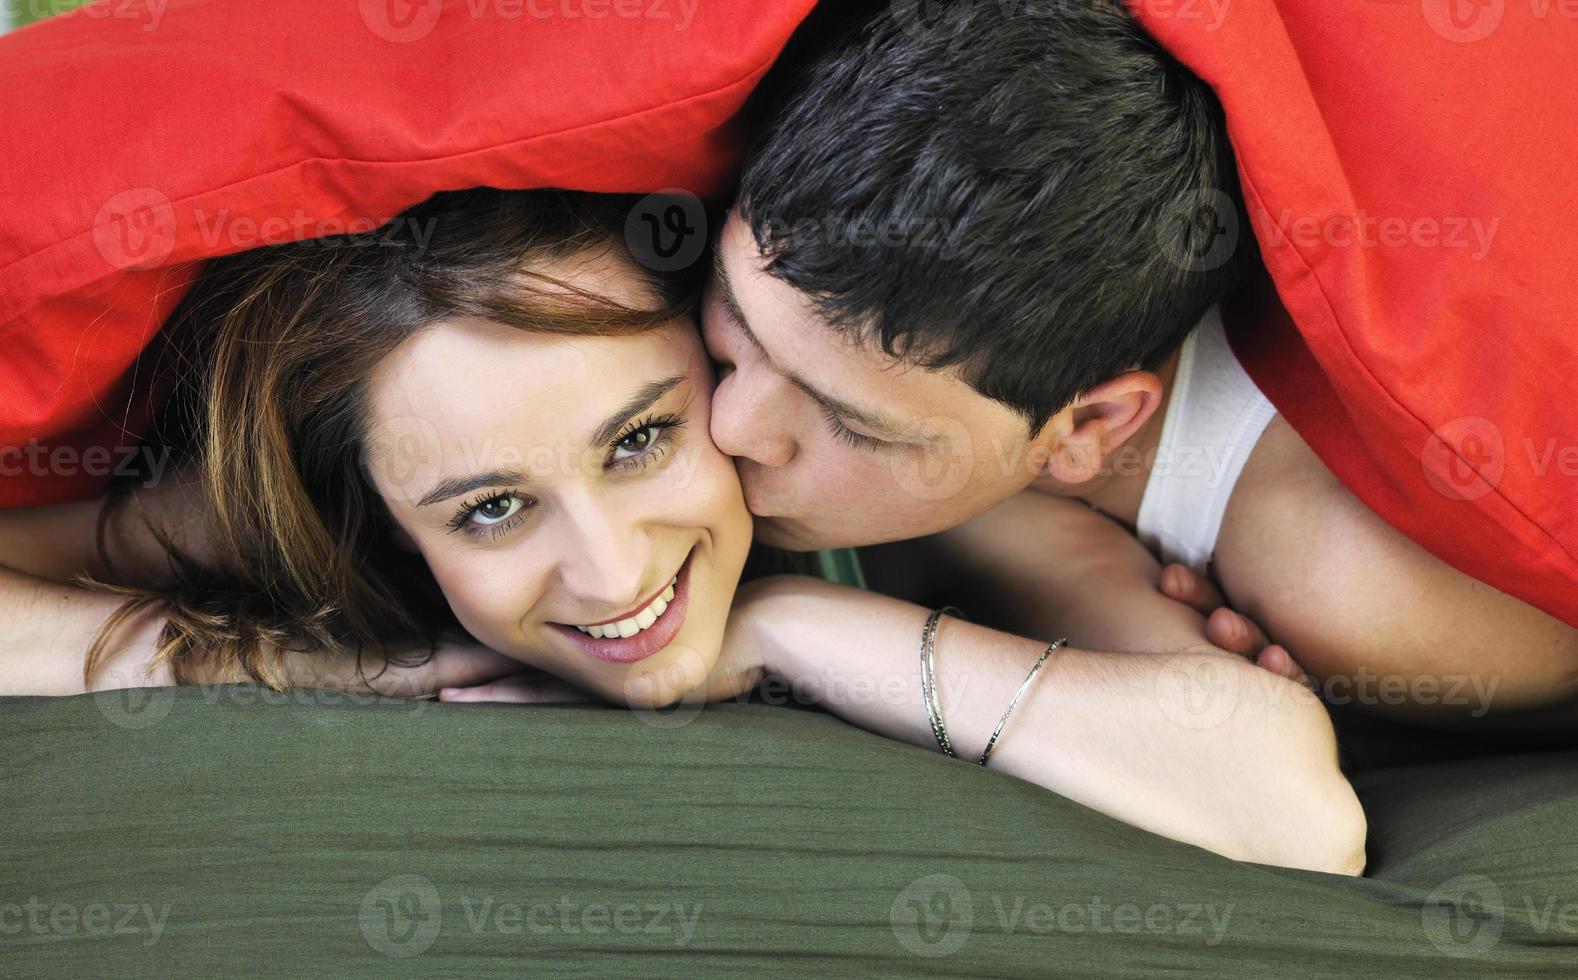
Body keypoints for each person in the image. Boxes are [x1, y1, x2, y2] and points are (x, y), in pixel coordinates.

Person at [0, 187, 1362, 874]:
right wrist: (319, 669)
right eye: (488, 509)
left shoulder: (898, 506)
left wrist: (794, 626)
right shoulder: (303, 513)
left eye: (643, 439)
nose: (613, 570)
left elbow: (1287, 806)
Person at [701, 0, 1578, 734]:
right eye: (735, 320)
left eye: (851, 423)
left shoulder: (1357, 585)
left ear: (1090, 428)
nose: (729, 425)